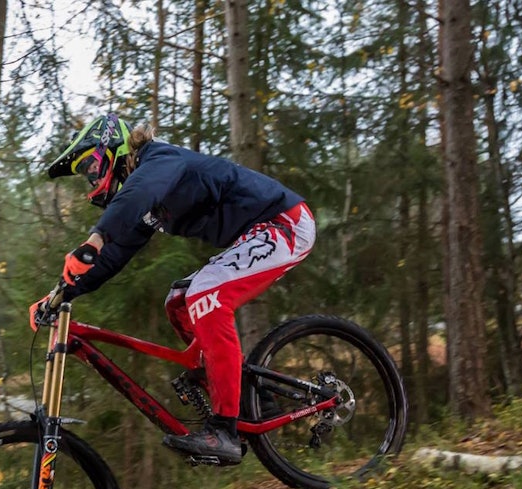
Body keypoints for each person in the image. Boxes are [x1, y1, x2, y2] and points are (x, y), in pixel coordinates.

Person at [29, 113, 315, 465]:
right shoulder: (148, 203)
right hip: (257, 233)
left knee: (206, 296)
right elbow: (115, 255)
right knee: (179, 302)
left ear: (114, 149)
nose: (91, 179)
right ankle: (245, 395)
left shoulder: (160, 158)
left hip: (285, 223)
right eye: (85, 175)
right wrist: (58, 295)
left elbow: (139, 192)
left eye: (91, 166)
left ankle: (224, 429)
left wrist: (96, 237)